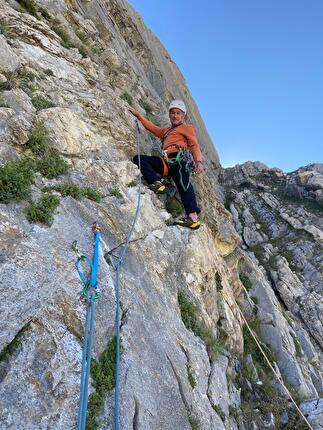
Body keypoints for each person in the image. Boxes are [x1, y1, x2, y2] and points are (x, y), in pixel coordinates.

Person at [129, 99, 203, 230]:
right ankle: (157, 182)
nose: (175, 115)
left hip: (179, 160)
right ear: (169, 115)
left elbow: (194, 145)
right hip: (166, 163)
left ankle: (193, 218)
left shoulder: (187, 128)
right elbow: (152, 128)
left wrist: (198, 162)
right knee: (139, 159)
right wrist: (139, 116)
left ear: (183, 115)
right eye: (173, 113)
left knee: (184, 184)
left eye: (178, 113)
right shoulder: (166, 131)